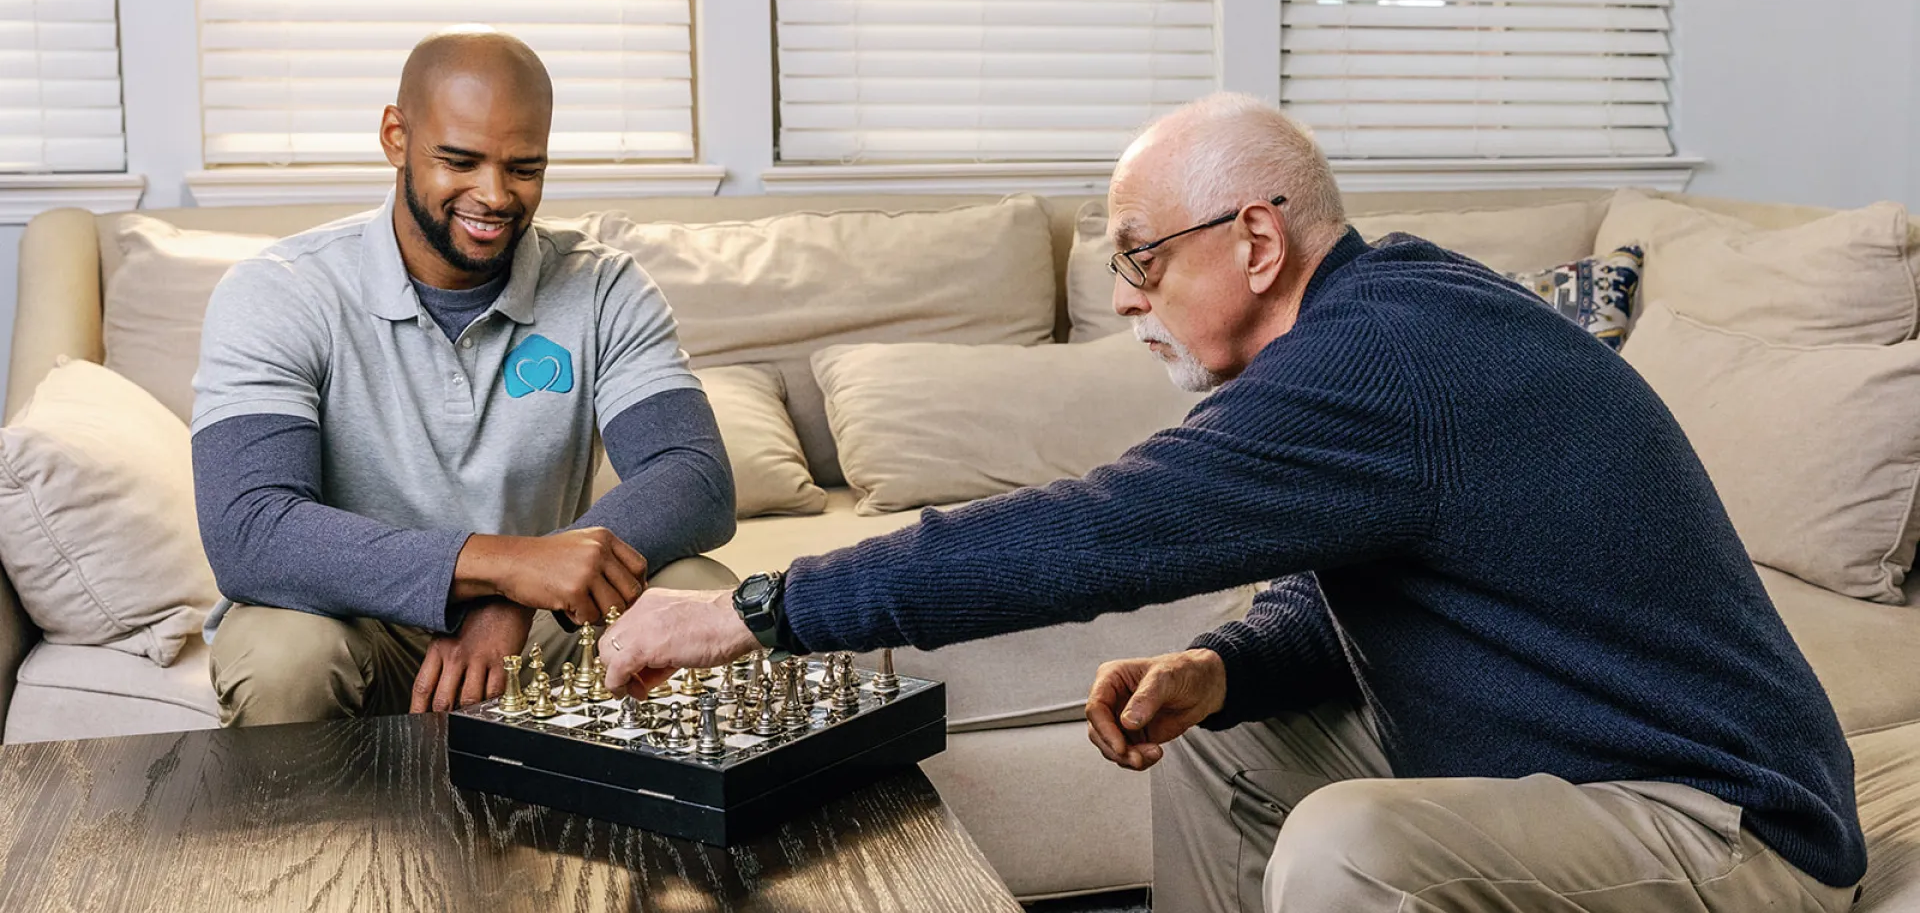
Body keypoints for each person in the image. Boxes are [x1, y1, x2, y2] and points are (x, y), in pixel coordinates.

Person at [598, 93, 1865, 912]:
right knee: (1218, 742)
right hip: (1558, 759)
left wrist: (754, 611)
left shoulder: (1381, 361)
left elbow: (1091, 533)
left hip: (1725, 824)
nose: (1127, 298)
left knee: (1348, 850)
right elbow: (1389, 588)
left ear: (1256, 242)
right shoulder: (1386, 313)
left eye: (1144, 257)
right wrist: (1223, 664)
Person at [191, 26, 738, 727]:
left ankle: (669, 835)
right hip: (357, 630)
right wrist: (501, 565)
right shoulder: (278, 292)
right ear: (395, 136)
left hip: (542, 626)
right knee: (280, 653)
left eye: (524, 167)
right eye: (460, 160)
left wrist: (521, 592)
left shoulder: (604, 288)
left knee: (704, 601)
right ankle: (311, 843)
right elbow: (251, 530)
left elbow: (695, 477)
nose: (495, 194)